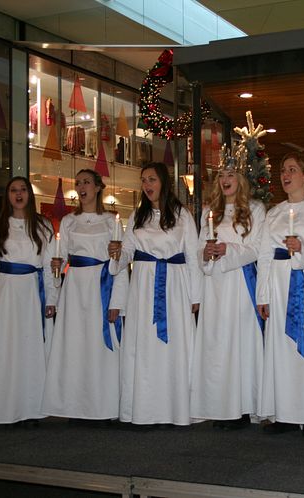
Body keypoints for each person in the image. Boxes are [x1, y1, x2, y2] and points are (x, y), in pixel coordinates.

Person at [0, 176, 58, 425]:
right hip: (6, 290)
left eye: (23, 190)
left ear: (30, 194)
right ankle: (5, 410)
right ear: (7, 196)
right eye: (13, 190)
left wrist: (51, 298)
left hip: (32, 291)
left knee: (31, 350)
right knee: (5, 348)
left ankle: (32, 409)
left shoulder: (43, 226)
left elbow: (50, 267)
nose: (18, 194)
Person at [116, 162, 201, 426]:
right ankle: (145, 409)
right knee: (144, 347)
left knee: (173, 347)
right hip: (143, 286)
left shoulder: (181, 215)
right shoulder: (136, 216)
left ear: (163, 182)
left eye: (152, 179)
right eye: (143, 180)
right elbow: (127, 252)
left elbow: (192, 255)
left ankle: (173, 410)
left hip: (174, 286)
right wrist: (116, 254)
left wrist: (195, 295)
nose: (147, 185)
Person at [42, 169, 128, 422]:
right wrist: (55, 282)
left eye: (86, 182)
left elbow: (120, 263)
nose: (81, 187)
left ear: (98, 187)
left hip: (102, 285)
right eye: (78, 183)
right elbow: (59, 256)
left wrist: (118, 301)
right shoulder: (69, 221)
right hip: (76, 288)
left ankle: (104, 407)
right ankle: (76, 406)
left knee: (100, 349)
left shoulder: (112, 221)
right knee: (76, 346)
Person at [256, 151, 304, 437]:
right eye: (283, 170)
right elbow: (263, 255)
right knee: (279, 348)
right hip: (277, 283)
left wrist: (303, 249)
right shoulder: (273, 213)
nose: (285, 175)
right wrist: (263, 294)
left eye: (292, 170)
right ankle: (284, 413)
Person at [190, 161, 266, 429]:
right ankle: (220, 406)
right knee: (217, 344)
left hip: (240, 284)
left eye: (231, 175)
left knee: (240, 344)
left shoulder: (255, 209)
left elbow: (258, 248)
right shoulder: (210, 212)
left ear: (241, 179)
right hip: (215, 286)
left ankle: (243, 407)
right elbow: (200, 247)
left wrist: (229, 250)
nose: (225, 179)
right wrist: (206, 254)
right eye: (221, 175)